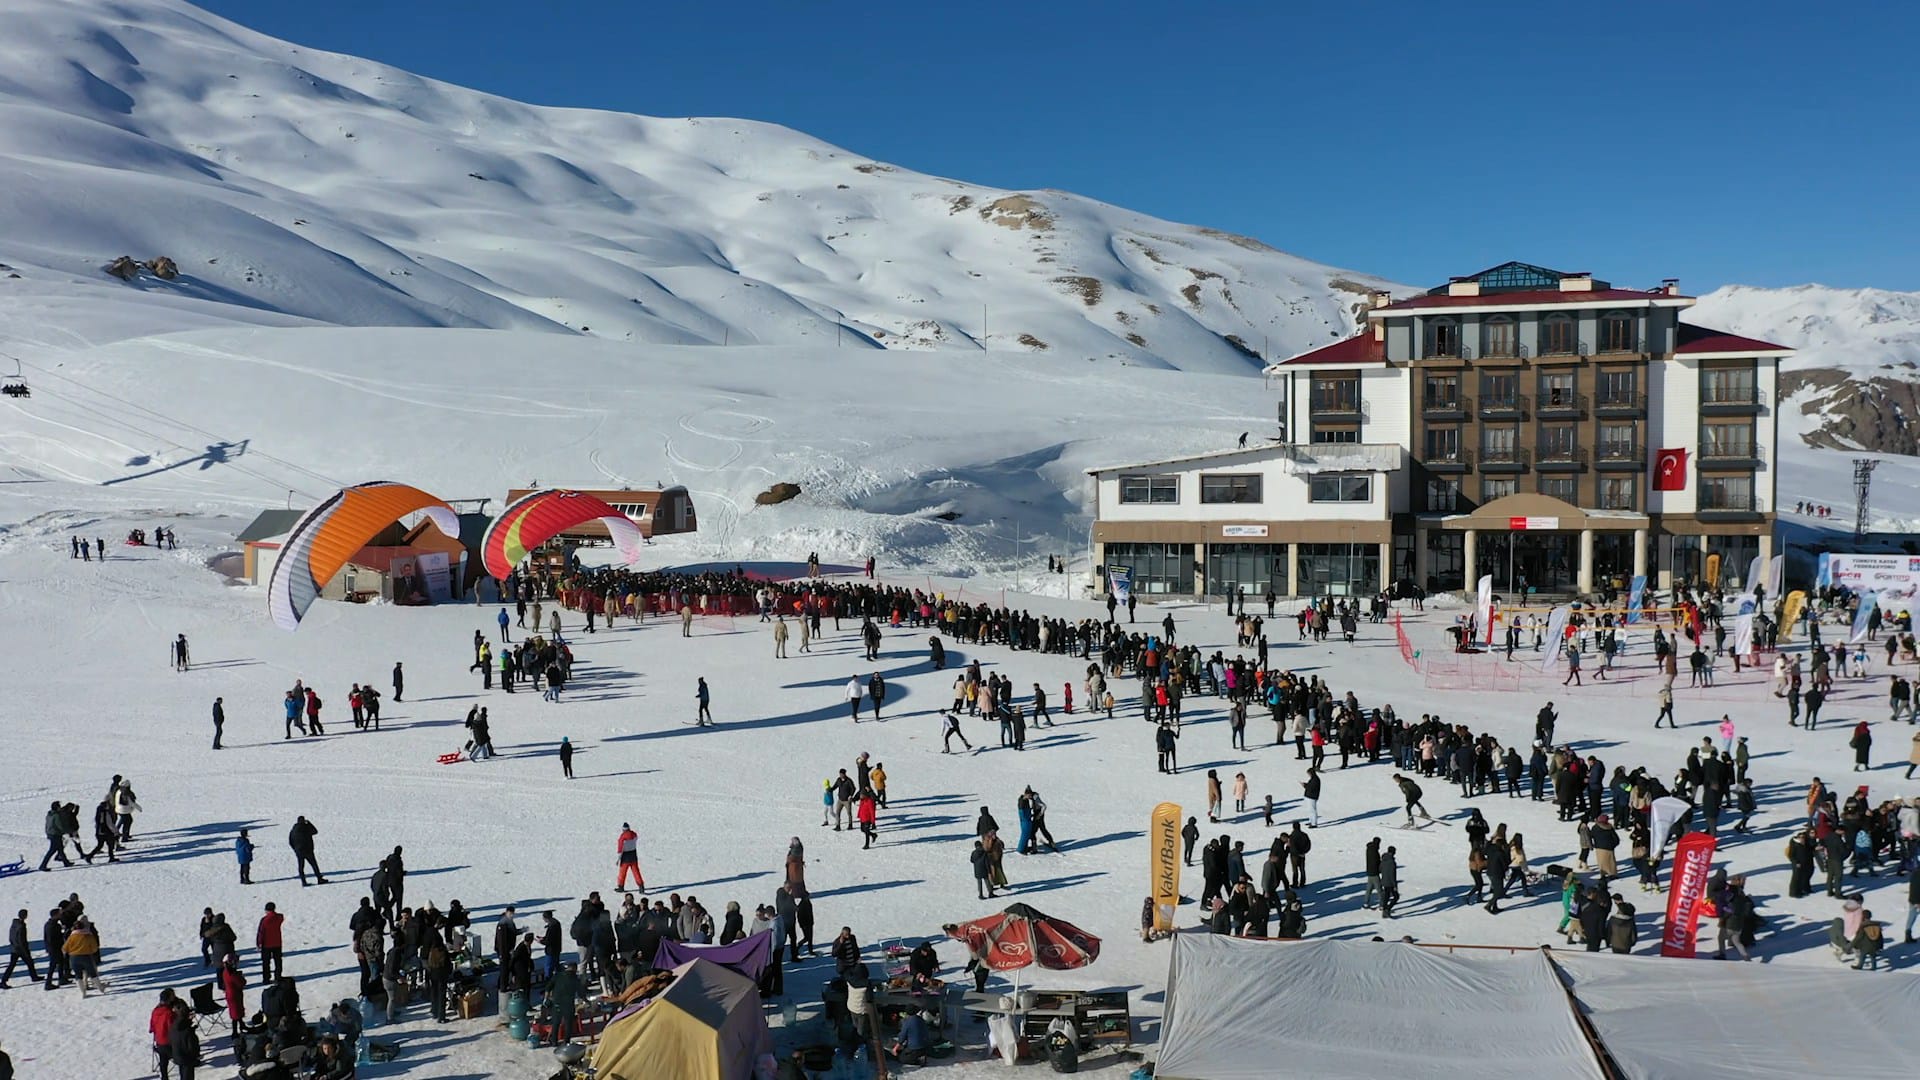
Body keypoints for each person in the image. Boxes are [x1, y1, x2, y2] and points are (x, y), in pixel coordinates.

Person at [289, 815, 326, 886]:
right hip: (308, 850)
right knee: (314, 865)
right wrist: (309, 823)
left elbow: (290, 842)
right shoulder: (306, 828)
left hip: (299, 851)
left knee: (301, 867)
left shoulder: (293, 831)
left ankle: (303, 882)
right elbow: (315, 831)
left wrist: (295, 849)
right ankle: (319, 879)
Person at [256, 903, 284, 984]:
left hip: (266, 944)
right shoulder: (279, 917)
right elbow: (281, 916)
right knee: (278, 961)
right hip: (277, 943)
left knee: (266, 962)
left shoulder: (264, 920)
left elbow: (261, 933)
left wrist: (259, 943)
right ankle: (278, 977)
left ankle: (266, 978)